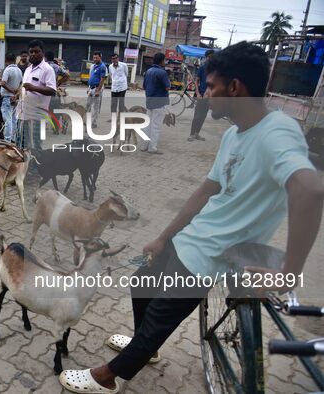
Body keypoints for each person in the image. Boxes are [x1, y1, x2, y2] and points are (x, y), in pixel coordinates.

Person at [58, 41, 324, 394]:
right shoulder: (233, 135)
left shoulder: (278, 131)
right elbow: (205, 191)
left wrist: (289, 272)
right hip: (192, 239)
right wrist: (164, 236)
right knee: (140, 283)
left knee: (159, 317)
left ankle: (108, 377)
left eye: (211, 86)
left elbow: (311, 191)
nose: (205, 93)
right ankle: (146, 346)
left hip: (213, 255)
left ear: (234, 87)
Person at [14, 40, 57, 150]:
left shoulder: (47, 69)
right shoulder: (28, 69)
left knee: (35, 147)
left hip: (37, 117)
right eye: (31, 52)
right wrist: (17, 95)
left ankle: (36, 167)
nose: (33, 54)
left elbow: (52, 90)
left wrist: (33, 87)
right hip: (22, 114)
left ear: (42, 52)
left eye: (36, 51)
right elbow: (24, 87)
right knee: (21, 145)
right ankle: (25, 167)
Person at [140, 52, 170, 154]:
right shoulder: (162, 73)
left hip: (149, 101)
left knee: (148, 125)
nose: (165, 62)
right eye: (164, 60)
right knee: (156, 126)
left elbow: (144, 86)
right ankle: (152, 148)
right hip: (159, 102)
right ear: (162, 61)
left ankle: (144, 146)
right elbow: (167, 87)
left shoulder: (148, 71)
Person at [188, 49, 215, 142]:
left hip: (209, 97)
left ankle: (197, 134)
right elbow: (197, 81)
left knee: (203, 116)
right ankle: (191, 134)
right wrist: (198, 93)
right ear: (206, 57)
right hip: (201, 95)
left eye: (212, 57)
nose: (211, 59)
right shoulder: (202, 68)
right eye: (209, 57)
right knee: (197, 116)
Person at [0, 52, 23, 141]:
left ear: (6, 61)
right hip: (15, 98)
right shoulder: (19, 70)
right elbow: (21, 83)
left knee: (7, 120)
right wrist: (16, 93)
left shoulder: (8, 70)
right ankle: (13, 138)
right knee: (13, 119)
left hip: (7, 97)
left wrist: (11, 91)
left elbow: (3, 83)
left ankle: (7, 140)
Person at [86, 51, 107, 129]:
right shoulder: (93, 66)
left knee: (96, 107)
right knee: (88, 105)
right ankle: (87, 120)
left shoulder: (102, 67)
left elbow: (102, 79)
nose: (94, 59)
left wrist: (98, 90)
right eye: (94, 57)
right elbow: (91, 77)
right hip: (91, 88)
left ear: (100, 57)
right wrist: (88, 88)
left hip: (97, 88)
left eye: (96, 57)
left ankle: (94, 122)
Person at [109, 53, 129, 119]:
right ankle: (113, 118)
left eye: (115, 58)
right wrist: (114, 81)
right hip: (114, 87)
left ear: (118, 58)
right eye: (113, 59)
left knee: (121, 103)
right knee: (113, 104)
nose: (114, 60)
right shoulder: (110, 66)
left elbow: (126, 74)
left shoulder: (124, 65)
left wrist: (121, 80)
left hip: (122, 87)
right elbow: (111, 75)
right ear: (111, 59)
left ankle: (120, 118)